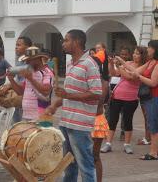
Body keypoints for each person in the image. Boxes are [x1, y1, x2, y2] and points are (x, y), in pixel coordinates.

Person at [45, 29, 102, 182]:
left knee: (86, 166)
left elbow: (96, 93)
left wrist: (68, 95)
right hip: (66, 121)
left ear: (76, 42)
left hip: (80, 125)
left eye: (66, 40)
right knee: (69, 165)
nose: (63, 44)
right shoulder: (70, 63)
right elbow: (68, 94)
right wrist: (55, 105)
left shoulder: (89, 64)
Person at [101, 46, 147, 155]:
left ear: (142, 56)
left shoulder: (143, 67)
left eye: (138, 54)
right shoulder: (129, 64)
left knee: (127, 121)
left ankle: (127, 144)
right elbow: (113, 73)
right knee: (112, 120)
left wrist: (119, 65)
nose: (135, 55)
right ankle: (108, 143)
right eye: (134, 53)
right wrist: (111, 63)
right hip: (117, 96)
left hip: (131, 98)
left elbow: (130, 77)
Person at [121, 40, 158, 160]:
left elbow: (153, 83)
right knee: (152, 124)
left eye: (149, 48)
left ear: (155, 49)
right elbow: (135, 71)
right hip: (149, 98)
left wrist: (139, 77)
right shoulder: (150, 62)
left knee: (153, 125)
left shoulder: (156, 64)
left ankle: (153, 153)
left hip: (154, 98)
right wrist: (121, 62)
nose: (147, 50)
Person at [8, 46, 54, 121]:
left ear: (37, 59)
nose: (26, 62)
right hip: (27, 115)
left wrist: (31, 79)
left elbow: (46, 92)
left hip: (42, 116)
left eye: (29, 60)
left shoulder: (46, 72)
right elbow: (21, 92)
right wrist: (11, 79)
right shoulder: (30, 72)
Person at [0, 36, 33, 123]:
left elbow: (26, 84)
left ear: (28, 47)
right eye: (16, 45)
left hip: (28, 102)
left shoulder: (32, 62)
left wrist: (10, 84)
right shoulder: (20, 61)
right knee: (15, 125)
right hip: (19, 100)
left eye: (19, 45)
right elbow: (17, 77)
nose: (16, 47)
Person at [89, 47, 109, 182]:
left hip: (96, 121)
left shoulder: (103, 82)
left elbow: (99, 100)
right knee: (86, 155)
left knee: (95, 155)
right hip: (86, 119)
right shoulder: (92, 79)